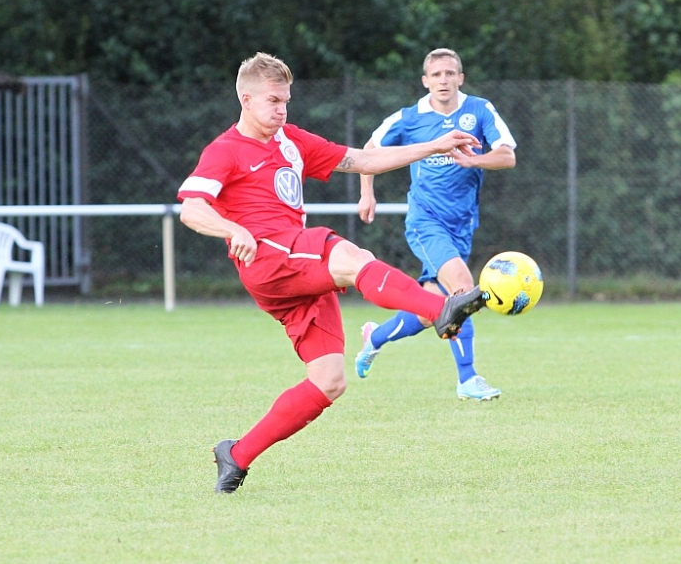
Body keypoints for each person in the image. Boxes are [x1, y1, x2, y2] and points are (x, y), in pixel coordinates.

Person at [177, 52, 488, 493]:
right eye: (272, 101)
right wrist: (232, 229)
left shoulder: (291, 140)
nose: (282, 110)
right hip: (268, 257)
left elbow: (363, 160)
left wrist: (434, 146)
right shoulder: (226, 150)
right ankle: (441, 309)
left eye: (286, 101)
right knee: (350, 255)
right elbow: (191, 208)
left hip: (294, 270)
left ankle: (237, 455)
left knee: (329, 381)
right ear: (246, 99)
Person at [355, 48, 517, 401]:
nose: (444, 80)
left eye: (450, 73)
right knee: (463, 290)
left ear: (461, 78)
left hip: (463, 225)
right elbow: (368, 151)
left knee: (433, 310)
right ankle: (468, 379)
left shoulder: (480, 110)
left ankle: (375, 337)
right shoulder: (409, 118)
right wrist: (367, 194)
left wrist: (474, 162)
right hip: (425, 221)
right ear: (425, 81)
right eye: (437, 74)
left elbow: (507, 156)